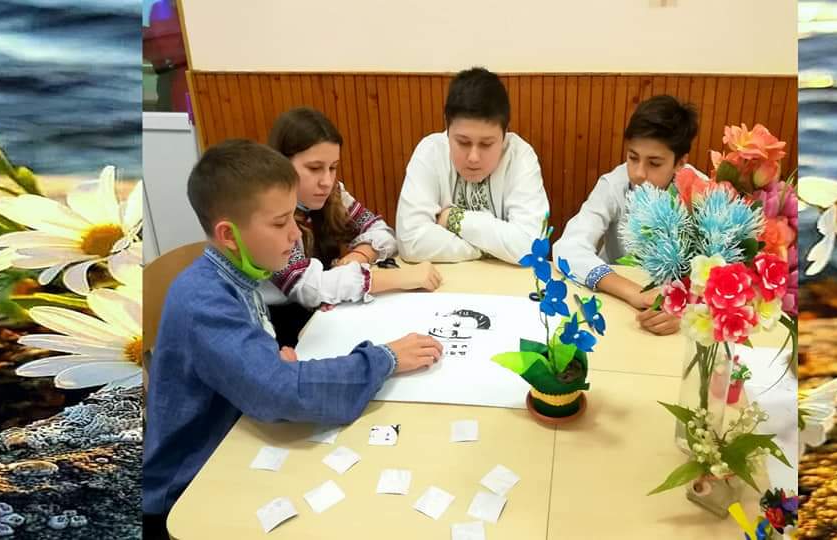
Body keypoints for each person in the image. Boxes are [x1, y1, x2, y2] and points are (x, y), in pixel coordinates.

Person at [142, 139, 443, 540]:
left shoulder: (238, 276)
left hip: (238, 437)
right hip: (187, 490)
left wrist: (266, 367)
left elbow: (265, 377)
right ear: (229, 235)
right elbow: (280, 392)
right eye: (280, 223)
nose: (295, 235)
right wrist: (385, 359)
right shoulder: (202, 300)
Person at [264, 107, 442, 346]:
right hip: (281, 333)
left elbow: (382, 231)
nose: (327, 181)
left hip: (321, 317)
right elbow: (307, 287)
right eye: (314, 168)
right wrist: (399, 278)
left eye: (333, 167)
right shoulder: (269, 214)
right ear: (282, 164)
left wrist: (358, 256)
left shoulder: (333, 194)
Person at [553, 95, 704, 336]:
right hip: (618, 305)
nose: (638, 173)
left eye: (654, 163)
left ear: (680, 163)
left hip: (676, 318)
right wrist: (635, 293)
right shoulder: (614, 185)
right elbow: (568, 248)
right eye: (633, 157)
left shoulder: (702, 194)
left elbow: (726, 274)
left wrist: (688, 309)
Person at [395, 67, 549, 264]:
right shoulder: (430, 151)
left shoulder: (520, 156)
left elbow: (531, 247)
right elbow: (410, 242)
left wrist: (453, 218)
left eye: (486, 144)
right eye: (463, 142)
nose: (473, 157)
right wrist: (491, 250)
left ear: (505, 134)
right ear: (447, 127)